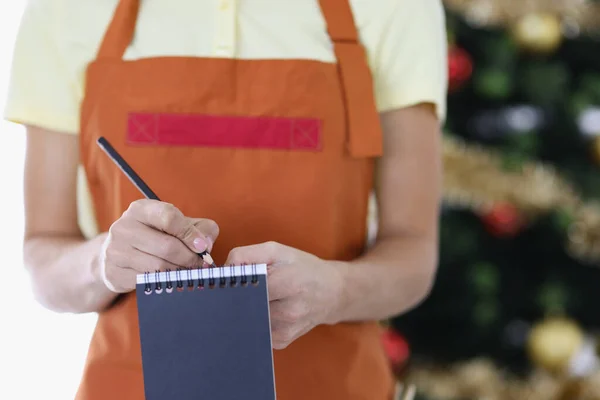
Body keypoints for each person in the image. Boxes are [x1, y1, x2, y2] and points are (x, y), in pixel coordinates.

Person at [5, 0, 447, 398]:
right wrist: (103, 262)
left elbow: (412, 253)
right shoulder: (63, 10)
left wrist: (335, 290)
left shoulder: (396, 8)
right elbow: (42, 259)